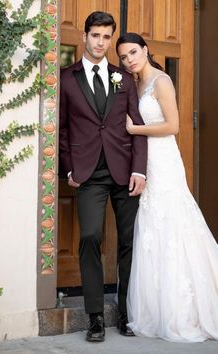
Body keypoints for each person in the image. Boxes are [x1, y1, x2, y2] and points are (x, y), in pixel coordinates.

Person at [116, 32, 218, 343]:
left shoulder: (161, 81)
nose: (129, 59)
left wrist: (136, 129)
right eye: (123, 56)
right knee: (149, 229)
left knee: (173, 224)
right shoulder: (132, 85)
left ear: (145, 50)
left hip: (164, 161)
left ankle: (186, 309)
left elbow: (173, 125)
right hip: (143, 163)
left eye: (133, 52)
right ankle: (153, 309)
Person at [59, 14, 147, 342]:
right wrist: (69, 166)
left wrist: (139, 169)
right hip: (88, 174)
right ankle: (95, 317)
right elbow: (63, 129)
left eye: (106, 37)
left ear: (111, 40)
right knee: (90, 237)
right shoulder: (67, 78)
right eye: (95, 35)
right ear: (84, 36)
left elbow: (136, 125)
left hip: (124, 171)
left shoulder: (123, 78)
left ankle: (125, 314)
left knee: (128, 243)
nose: (101, 42)